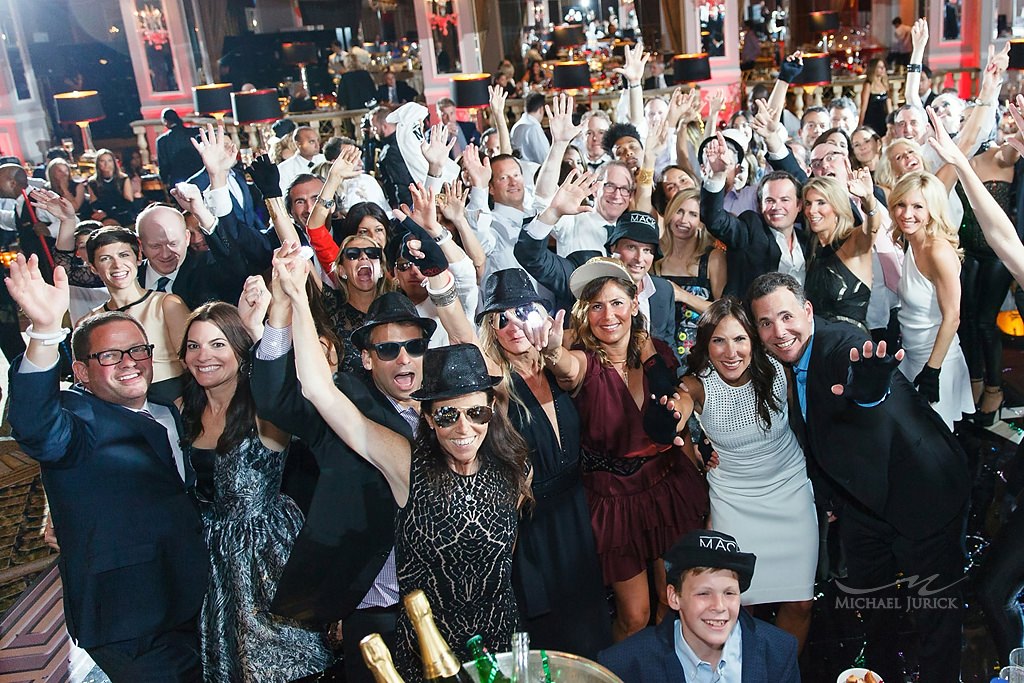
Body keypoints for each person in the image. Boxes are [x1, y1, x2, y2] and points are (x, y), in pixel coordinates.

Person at [277, 238, 532, 677]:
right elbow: (319, 391)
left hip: (499, 638)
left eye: (476, 413)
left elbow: (474, 358)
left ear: (491, 412)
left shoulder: (506, 461)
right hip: (427, 651)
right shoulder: (406, 463)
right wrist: (298, 299)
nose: (464, 427)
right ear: (427, 419)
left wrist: (443, 284)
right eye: (447, 415)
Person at [748, 272, 969, 683]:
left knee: (935, 616)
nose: (779, 332)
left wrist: (870, 386)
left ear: (808, 311)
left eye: (786, 316)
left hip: (925, 493)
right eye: (765, 323)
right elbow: (817, 434)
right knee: (872, 605)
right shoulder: (784, 363)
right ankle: (882, 674)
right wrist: (830, 497)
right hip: (862, 504)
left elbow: (863, 386)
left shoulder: (839, 346)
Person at [7, 254, 208, 681]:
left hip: (190, 595)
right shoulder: (76, 419)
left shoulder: (166, 412)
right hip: (128, 617)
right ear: (80, 372)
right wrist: (45, 332)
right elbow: (35, 427)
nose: (130, 361)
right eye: (110, 356)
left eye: (138, 349)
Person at [530, 257, 709, 641]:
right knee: (635, 615)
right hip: (613, 502)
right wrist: (552, 351)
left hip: (666, 488)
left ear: (633, 304)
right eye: (596, 306)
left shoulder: (656, 352)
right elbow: (565, 367)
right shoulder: (584, 363)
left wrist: (694, 458)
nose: (607, 315)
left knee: (669, 603)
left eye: (615, 303)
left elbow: (677, 411)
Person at [178, 299, 334, 681]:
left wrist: (264, 329)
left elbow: (303, 388)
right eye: (194, 346)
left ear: (239, 349)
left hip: (267, 552)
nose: (204, 356)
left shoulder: (266, 410)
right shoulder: (182, 408)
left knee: (286, 664)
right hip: (210, 556)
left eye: (218, 344)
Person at [476, 268, 612, 657]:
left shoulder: (560, 367)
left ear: (541, 314)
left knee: (592, 635)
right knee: (550, 643)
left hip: (577, 514)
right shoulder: (496, 381)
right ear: (491, 328)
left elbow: (576, 374)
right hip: (533, 526)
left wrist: (552, 349)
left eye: (522, 311)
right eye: (500, 318)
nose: (513, 324)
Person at [676, 298, 816, 651]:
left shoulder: (777, 367)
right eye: (718, 341)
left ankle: (783, 672)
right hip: (733, 501)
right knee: (740, 605)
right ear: (706, 345)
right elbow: (678, 411)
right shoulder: (697, 384)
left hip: (790, 491)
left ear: (753, 339)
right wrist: (689, 445)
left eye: (739, 339)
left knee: (800, 602)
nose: (731, 351)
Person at [597, 530, 800, 682]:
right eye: (704, 593)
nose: (719, 606)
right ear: (674, 597)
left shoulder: (779, 651)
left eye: (729, 593)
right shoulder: (624, 664)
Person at [890, 171, 973, 428]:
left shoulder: (938, 251)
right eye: (901, 204)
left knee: (937, 449)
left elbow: (953, 317)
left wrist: (932, 371)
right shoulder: (911, 242)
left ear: (932, 210)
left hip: (937, 362)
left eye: (917, 206)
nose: (907, 214)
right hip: (912, 357)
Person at [82, 226, 188, 401]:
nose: (117, 265)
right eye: (105, 258)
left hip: (176, 404)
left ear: (138, 257)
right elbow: (86, 382)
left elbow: (192, 364)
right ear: (93, 267)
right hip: (118, 413)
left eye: (124, 255)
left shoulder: (166, 305)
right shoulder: (89, 323)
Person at [652, 188, 726, 367]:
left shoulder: (713, 258)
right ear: (670, 214)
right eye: (679, 211)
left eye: (693, 214)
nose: (684, 220)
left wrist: (682, 295)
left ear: (701, 221)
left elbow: (723, 311)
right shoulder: (655, 256)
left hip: (702, 358)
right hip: (660, 356)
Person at [802, 174, 879, 332]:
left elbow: (873, 227)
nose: (812, 210)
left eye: (821, 203)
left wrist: (868, 199)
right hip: (820, 342)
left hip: (851, 343)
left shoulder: (853, 241)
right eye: (808, 203)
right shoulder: (812, 247)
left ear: (837, 207)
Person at [87, 148, 137, 226]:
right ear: (97, 163)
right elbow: (94, 203)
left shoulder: (123, 178)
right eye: (102, 161)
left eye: (109, 161)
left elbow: (128, 202)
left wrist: (110, 212)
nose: (106, 164)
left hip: (122, 213)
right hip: (103, 214)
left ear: (114, 162)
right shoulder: (92, 182)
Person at [156, 108, 203, 188]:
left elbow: (163, 165)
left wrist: (164, 181)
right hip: (200, 176)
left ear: (165, 121)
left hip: (178, 181)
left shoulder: (162, 141)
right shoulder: (196, 131)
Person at [859, 58, 891, 137]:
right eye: (879, 67)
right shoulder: (868, 85)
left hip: (883, 119)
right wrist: (860, 123)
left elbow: (889, 105)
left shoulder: (885, 84)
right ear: (873, 69)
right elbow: (864, 106)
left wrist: (891, 121)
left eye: (883, 67)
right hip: (872, 119)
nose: (883, 69)